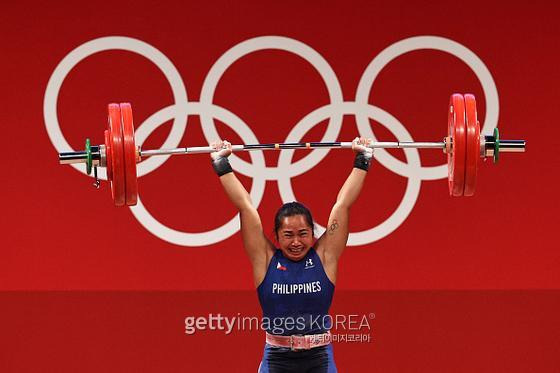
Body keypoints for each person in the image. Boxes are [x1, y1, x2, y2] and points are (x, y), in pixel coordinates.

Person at [210, 137, 373, 373]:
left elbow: (342, 205)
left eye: (303, 233)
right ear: (276, 235)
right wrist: (221, 164)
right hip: (277, 359)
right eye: (288, 235)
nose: (296, 242)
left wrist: (363, 159)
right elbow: (245, 207)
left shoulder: (325, 256)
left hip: (319, 359)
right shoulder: (265, 259)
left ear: (313, 232)